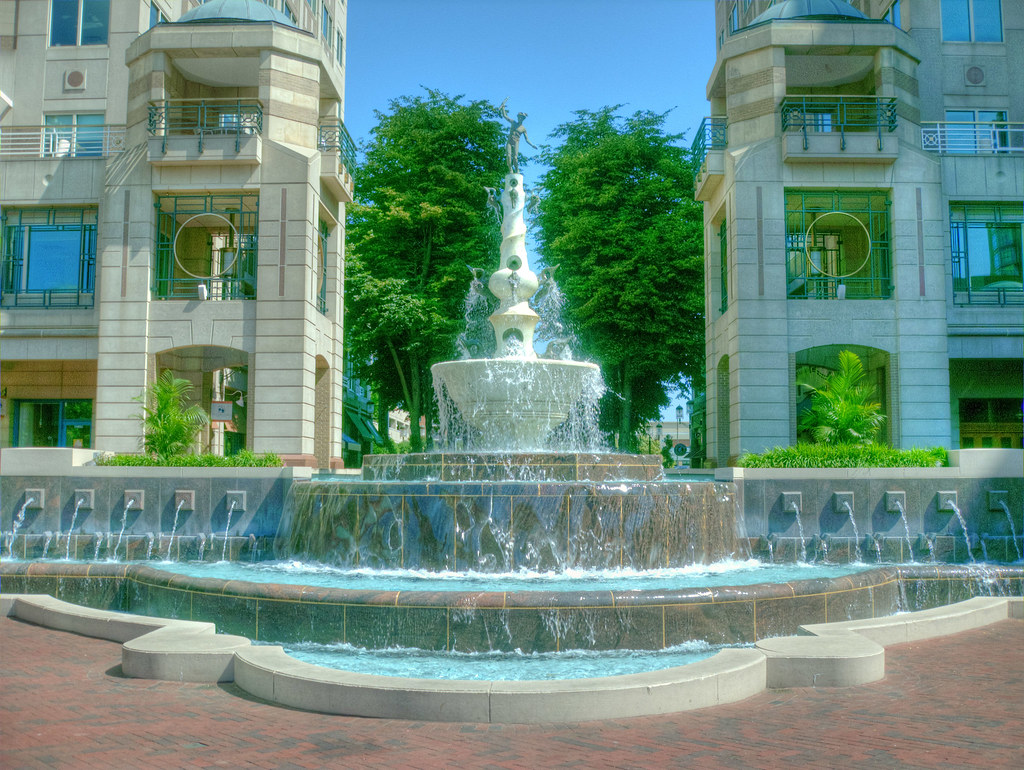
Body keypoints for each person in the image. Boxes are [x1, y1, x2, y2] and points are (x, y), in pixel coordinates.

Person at [499, 98, 536, 174]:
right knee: (508, 156)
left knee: (515, 158)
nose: (520, 118)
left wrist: (532, 145)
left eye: (521, 118)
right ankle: (510, 169)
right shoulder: (513, 122)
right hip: (509, 141)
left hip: (516, 142)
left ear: (523, 119)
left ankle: (517, 170)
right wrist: (503, 108)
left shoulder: (523, 128)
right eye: (519, 117)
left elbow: (527, 139)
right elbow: (505, 115)